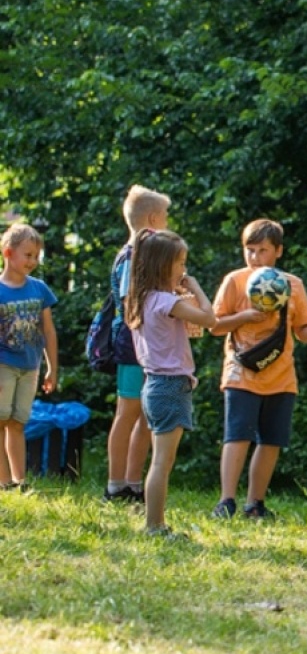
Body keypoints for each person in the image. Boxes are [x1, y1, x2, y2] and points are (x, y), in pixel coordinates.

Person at [208, 219, 307, 521]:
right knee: (237, 435)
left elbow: (301, 331)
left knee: (271, 440)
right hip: (240, 373)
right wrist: (245, 317)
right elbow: (214, 326)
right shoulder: (235, 281)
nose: (254, 257)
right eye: (249, 250)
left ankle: (255, 504)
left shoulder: (293, 285)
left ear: (278, 251)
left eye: (262, 250)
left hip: (281, 376)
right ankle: (226, 501)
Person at [125, 229, 216, 535]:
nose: (184, 270)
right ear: (162, 265)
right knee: (162, 462)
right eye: (180, 263)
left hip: (154, 385)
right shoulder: (166, 301)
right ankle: (154, 525)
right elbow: (210, 319)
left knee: (161, 460)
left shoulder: (143, 299)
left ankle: (155, 523)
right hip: (169, 385)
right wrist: (197, 287)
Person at [104, 184, 171, 505]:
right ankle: (115, 484)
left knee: (147, 414)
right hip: (132, 346)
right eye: (167, 217)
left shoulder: (145, 256)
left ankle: (133, 483)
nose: (169, 222)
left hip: (149, 345)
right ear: (154, 219)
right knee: (128, 411)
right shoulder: (132, 257)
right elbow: (132, 304)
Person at [0, 223, 59, 492]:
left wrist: (52, 368)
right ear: (8, 253)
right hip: (3, 365)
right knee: (0, 421)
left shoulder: (39, 289)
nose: (33, 261)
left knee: (18, 423)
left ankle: (20, 481)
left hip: (30, 366)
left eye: (37, 256)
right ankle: (3, 483)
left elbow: (48, 330)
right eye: (28, 255)